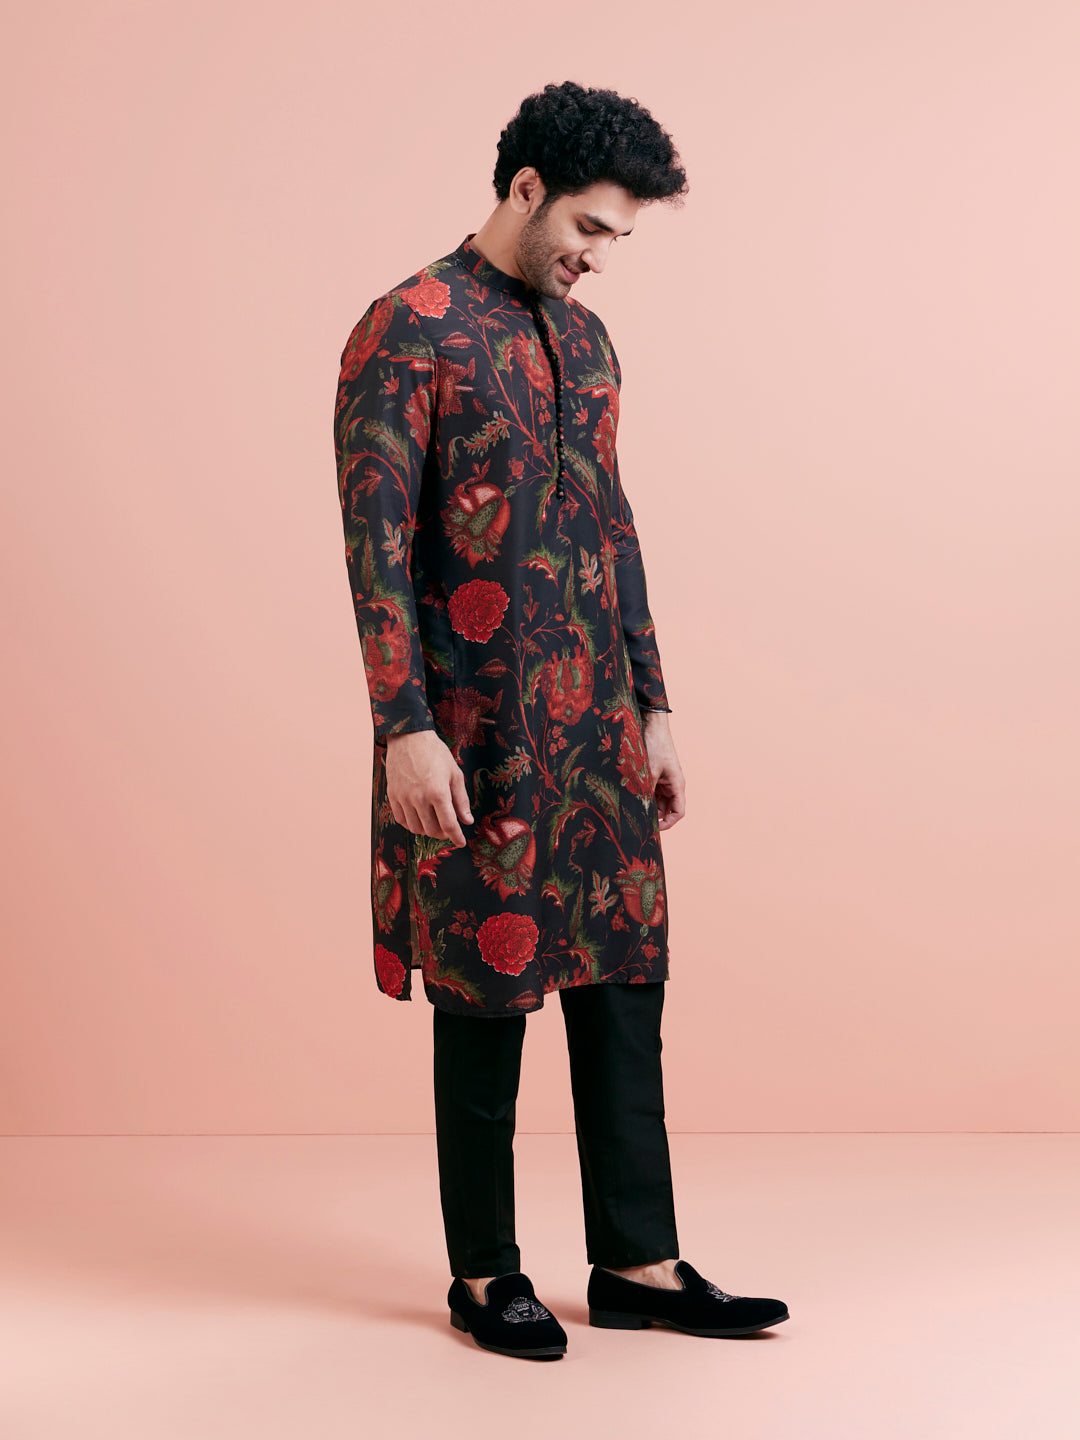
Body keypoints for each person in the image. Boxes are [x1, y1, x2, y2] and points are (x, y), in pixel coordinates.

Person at [333, 80, 789, 1359]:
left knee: (624, 982)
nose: (598, 256)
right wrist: (403, 726)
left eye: (618, 238)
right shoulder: (407, 328)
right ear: (525, 189)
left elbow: (613, 527)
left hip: (598, 730)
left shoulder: (586, 342)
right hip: (472, 729)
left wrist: (656, 707)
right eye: (589, 227)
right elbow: (375, 546)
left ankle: (640, 1261)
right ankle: (487, 1275)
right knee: (485, 990)